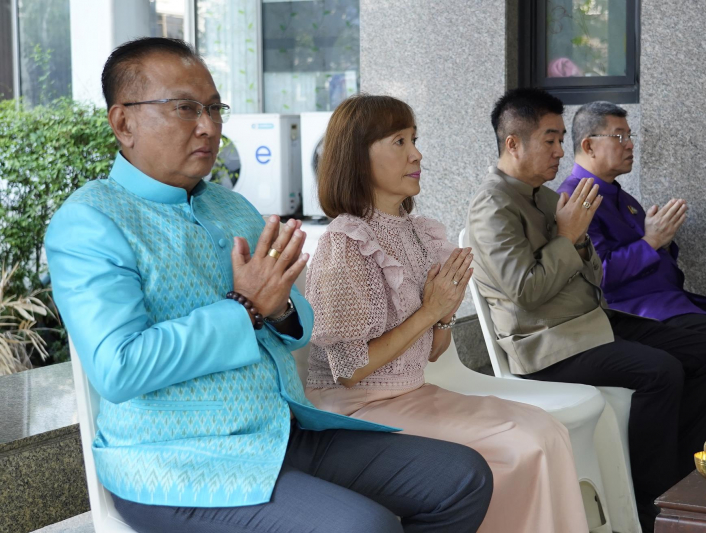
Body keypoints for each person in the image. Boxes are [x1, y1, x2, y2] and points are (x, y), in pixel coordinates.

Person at [44, 38, 493, 533]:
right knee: (362, 527)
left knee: (462, 478)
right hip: (180, 461)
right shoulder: (90, 222)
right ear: (123, 122)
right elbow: (118, 367)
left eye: (215, 108)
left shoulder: (229, 206)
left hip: (284, 432)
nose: (209, 126)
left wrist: (277, 310)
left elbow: (298, 324)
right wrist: (245, 306)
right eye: (186, 108)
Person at [304, 94, 589, 533]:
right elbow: (348, 370)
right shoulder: (344, 243)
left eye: (414, 139)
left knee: (546, 429)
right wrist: (430, 311)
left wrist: (443, 315)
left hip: (412, 393)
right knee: (523, 444)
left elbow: (434, 352)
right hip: (357, 410)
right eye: (399, 141)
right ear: (357, 157)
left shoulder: (420, 233)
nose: (416, 153)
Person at [465, 87, 706, 533]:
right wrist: (568, 237)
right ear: (513, 142)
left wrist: (575, 239)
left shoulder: (546, 198)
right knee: (660, 371)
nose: (559, 151)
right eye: (549, 140)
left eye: (560, 138)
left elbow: (595, 276)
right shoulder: (492, 208)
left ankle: (692, 480)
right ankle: (652, 506)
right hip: (547, 345)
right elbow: (526, 291)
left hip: (589, 324)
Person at [557, 100, 706, 427]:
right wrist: (650, 241)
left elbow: (656, 256)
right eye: (619, 137)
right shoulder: (577, 199)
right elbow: (600, 274)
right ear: (589, 145)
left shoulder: (621, 197)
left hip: (672, 300)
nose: (631, 144)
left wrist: (659, 240)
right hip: (636, 311)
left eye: (629, 135)